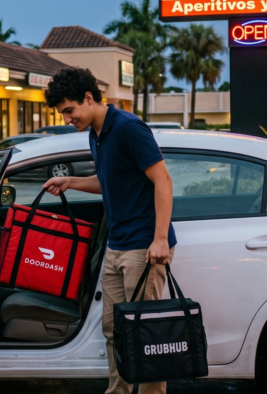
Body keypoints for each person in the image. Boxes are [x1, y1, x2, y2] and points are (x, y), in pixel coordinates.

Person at [42, 67, 175, 394]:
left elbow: (163, 180)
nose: (67, 119)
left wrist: (160, 240)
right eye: (62, 114)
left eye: (69, 110)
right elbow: (109, 181)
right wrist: (70, 181)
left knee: (143, 334)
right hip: (117, 246)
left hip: (143, 246)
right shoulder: (96, 133)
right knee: (114, 330)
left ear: (88, 98)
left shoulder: (128, 128)